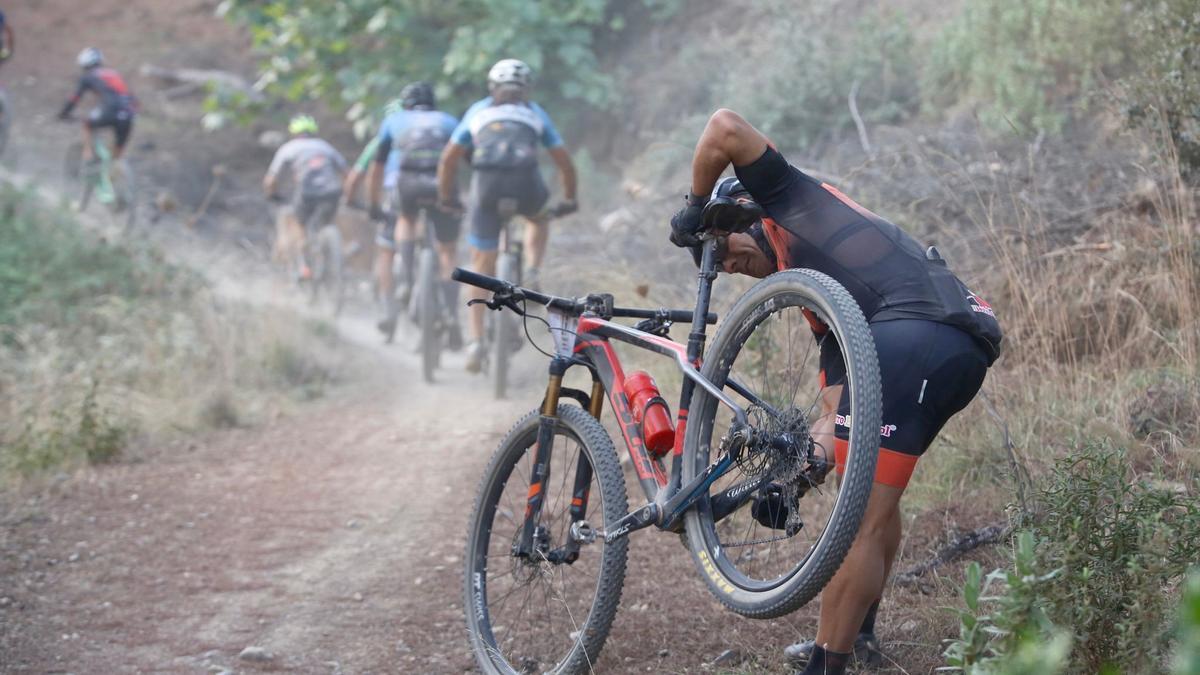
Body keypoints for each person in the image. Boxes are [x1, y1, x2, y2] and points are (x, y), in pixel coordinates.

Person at [670, 109, 1003, 675]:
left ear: (745, 215)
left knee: (859, 523)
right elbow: (837, 418)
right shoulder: (827, 308)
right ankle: (861, 636)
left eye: (720, 247)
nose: (725, 265)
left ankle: (827, 665)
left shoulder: (791, 202)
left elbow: (724, 127)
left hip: (918, 335)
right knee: (869, 492)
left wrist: (693, 207)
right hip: (957, 346)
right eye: (715, 265)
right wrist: (795, 478)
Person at [437, 58, 578, 372]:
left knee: (479, 266)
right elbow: (564, 163)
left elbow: (449, 160)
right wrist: (569, 198)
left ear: (492, 88)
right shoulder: (534, 112)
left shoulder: (478, 111)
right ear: (526, 88)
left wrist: (447, 198)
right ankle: (532, 268)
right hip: (527, 187)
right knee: (539, 217)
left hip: (485, 190)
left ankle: (475, 343)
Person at [365, 82, 461, 343]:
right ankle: (452, 311)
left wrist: (374, 204)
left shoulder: (395, 120)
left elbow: (377, 167)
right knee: (447, 249)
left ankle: (406, 277)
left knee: (406, 218)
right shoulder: (449, 120)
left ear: (406, 104)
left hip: (408, 184)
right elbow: (460, 158)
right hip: (441, 185)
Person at [263, 114, 347, 280]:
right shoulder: (325, 146)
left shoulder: (288, 148)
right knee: (325, 222)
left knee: (299, 225)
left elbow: (271, 179)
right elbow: (347, 172)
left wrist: (272, 194)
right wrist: (346, 192)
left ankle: (305, 267)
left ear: (294, 133)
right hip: (331, 191)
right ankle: (328, 250)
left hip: (307, 192)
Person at [58, 48, 136, 162]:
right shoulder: (113, 74)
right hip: (128, 113)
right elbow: (128, 94)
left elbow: (74, 99)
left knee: (87, 125)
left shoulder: (88, 76)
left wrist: (63, 113)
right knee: (117, 151)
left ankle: (87, 154)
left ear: (84, 65)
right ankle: (114, 168)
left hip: (110, 111)